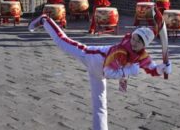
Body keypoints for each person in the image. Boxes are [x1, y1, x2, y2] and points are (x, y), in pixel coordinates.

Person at [28, 14, 172, 130]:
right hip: (91, 57)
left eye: (138, 42)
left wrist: (162, 68)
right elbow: (109, 72)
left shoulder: (141, 55)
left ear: (143, 46)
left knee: (100, 104)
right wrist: (127, 70)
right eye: (134, 38)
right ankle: (45, 19)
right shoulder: (121, 51)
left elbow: (151, 68)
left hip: (99, 73)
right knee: (62, 42)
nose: (134, 42)